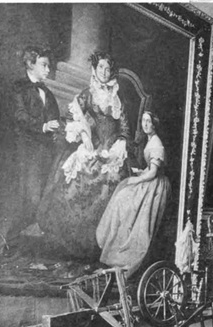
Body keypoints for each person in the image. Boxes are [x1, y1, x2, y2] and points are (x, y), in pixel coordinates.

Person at [37, 51, 130, 259]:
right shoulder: (88, 93)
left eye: (107, 69)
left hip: (113, 149)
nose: (104, 73)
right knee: (78, 174)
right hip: (94, 144)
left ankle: (101, 244)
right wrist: (84, 135)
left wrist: (118, 146)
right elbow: (72, 117)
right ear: (94, 70)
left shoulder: (117, 97)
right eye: (100, 68)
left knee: (112, 178)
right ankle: (72, 242)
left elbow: (124, 127)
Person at [96, 111, 171, 277]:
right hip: (150, 181)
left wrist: (135, 180)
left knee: (125, 201)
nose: (145, 124)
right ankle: (116, 246)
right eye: (143, 121)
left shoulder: (157, 144)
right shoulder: (150, 140)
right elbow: (151, 169)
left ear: (154, 124)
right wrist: (141, 172)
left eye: (148, 121)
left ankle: (125, 255)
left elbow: (153, 174)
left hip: (155, 187)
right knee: (122, 198)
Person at [11, 45, 61, 232]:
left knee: (44, 195)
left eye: (49, 66)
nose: (48, 69)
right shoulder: (19, 88)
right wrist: (43, 126)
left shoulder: (47, 92)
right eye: (44, 65)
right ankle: (12, 241)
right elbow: (20, 116)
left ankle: (33, 243)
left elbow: (54, 116)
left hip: (46, 149)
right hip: (28, 150)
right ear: (30, 64)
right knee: (29, 196)